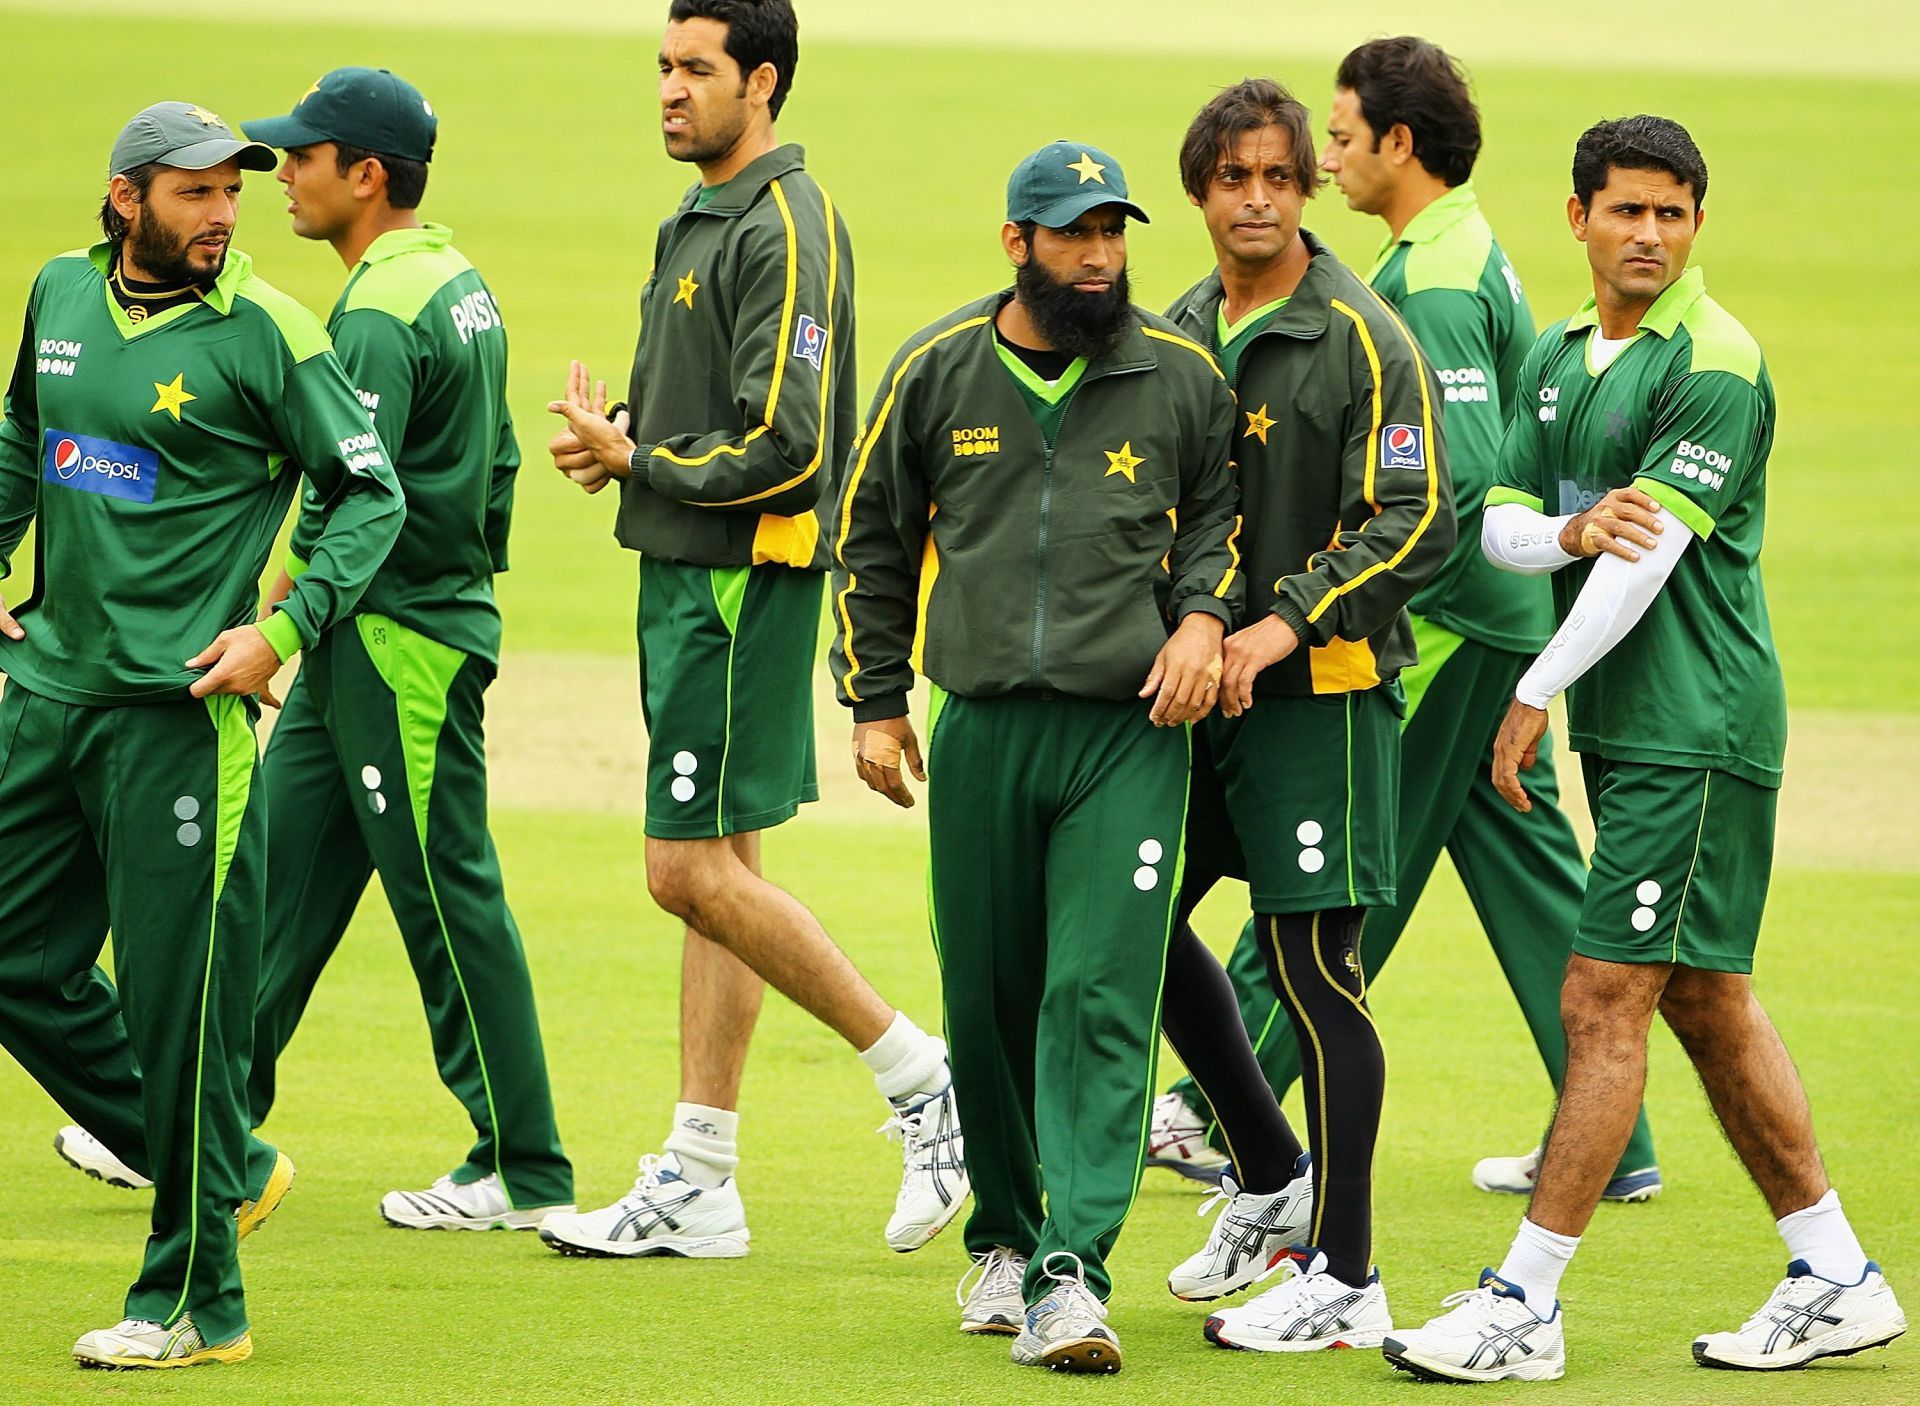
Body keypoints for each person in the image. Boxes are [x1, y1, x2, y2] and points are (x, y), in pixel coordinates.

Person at [1384, 115, 1905, 1383]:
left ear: (1698, 224)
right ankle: (1836, 1271)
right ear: (1579, 218)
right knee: (1710, 1001)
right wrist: (1562, 537)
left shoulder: (1714, 361)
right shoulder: (1559, 357)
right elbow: (1504, 524)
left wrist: (1531, 685)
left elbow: (1645, 558)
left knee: (1602, 995)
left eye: (1673, 212)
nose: (1650, 234)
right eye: (1627, 209)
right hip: (1635, 732)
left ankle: (1526, 1298)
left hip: (1698, 729)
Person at [1150, 36, 1661, 1206]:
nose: (1319, 163)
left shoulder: (1425, 277)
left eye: (1335, 139)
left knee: (1328, 871)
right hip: (1503, 624)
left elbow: (1455, 478)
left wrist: (1351, 616)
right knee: (1528, 863)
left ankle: (1218, 1107)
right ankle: (1615, 1134)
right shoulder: (1451, 244)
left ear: (1398, 142)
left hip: (1440, 626)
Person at [542, 0, 965, 1259]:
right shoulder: (705, 212)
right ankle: (701, 1172)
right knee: (719, 880)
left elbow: (792, 443)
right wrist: (625, 445)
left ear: (762, 82)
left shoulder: (787, 222)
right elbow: (713, 409)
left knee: (683, 869)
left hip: (740, 582)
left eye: (696, 69)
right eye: (662, 66)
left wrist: (646, 464)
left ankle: (918, 1076)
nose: (669, 89)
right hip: (685, 572)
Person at [0, 101, 404, 1367]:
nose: (225, 214)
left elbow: (366, 491)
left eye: (235, 191)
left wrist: (278, 635)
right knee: (15, 954)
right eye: (195, 194)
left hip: (181, 726)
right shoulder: (59, 293)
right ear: (126, 199)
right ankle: (227, 1163)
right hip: (46, 698)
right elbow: (27, 435)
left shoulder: (269, 332)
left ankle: (195, 1304)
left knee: (184, 1014)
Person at [834, 139, 1240, 1374]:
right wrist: (874, 697)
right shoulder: (935, 370)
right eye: (1075, 235)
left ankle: (1073, 1270)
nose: (1102, 258)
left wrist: (1206, 619)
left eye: (1115, 234)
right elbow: (873, 537)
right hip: (983, 731)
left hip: (1131, 733)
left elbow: (1222, 514)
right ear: (1019, 244)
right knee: (992, 994)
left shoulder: (1180, 375)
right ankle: (1004, 1237)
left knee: (1099, 991)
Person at [231, 67, 576, 1228]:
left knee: (445, 892)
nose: (282, 174)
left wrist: (277, 626)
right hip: (380, 633)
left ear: (364, 174)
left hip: (393, 642)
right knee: (272, 874)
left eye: (303, 156)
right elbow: (501, 468)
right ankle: (193, 1118)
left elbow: (349, 494)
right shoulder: (456, 277)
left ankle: (521, 1166)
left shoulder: (377, 310)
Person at [1153, 77, 1454, 1354]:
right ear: (1202, 192)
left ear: (1309, 188)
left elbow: (1419, 520)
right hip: (1200, 700)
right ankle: (1271, 1175)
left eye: (1283, 175)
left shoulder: (1366, 334)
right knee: (1137, 909)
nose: (1261, 198)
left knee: (1315, 967)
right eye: (1236, 178)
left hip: (1317, 700)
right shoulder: (1173, 329)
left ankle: (1348, 1269)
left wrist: (1280, 621)